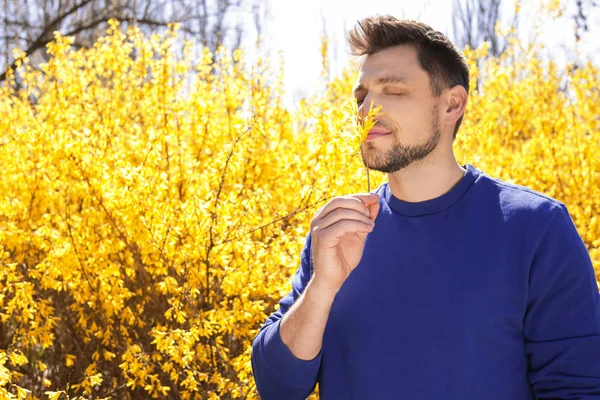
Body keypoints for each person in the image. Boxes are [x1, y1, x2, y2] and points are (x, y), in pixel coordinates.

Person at [251, 14, 600, 400]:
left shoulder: (535, 228)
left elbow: (578, 389)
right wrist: (322, 288)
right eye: (361, 96)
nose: (368, 109)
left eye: (394, 91)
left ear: (452, 104)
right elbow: (277, 388)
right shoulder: (339, 231)